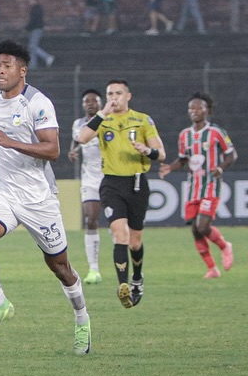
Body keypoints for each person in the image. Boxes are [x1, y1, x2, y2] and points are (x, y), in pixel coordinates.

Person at [0, 40, 91, 355]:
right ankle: (1, 304)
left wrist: (11, 142)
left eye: (6, 65)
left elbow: (53, 150)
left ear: (22, 70)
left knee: (60, 266)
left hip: (39, 198)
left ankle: (82, 320)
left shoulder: (38, 103)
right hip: (5, 192)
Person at [72, 78, 165, 308]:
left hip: (136, 184)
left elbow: (161, 153)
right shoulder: (103, 120)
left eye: (118, 93)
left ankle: (136, 279)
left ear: (128, 96)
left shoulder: (142, 120)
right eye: (110, 94)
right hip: (111, 184)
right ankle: (123, 286)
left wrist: (147, 150)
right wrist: (103, 112)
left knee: (135, 242)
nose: (114, 98)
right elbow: (82, 138)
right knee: (119, 234)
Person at [158, 93, 237, 278]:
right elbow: (184, 159)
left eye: (198, 108)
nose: (194, 111)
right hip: (193, 187)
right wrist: (171, 167)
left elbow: (231, 155)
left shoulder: (216, 132)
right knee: (195, 229)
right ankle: (212, 268)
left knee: (202, 226)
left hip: (210, 185)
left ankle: (225, 246)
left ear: (207, 110)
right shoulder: (184, 135)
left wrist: (220, 167)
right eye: (191, 109)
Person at [67, 89, 106, 284]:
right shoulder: (78, 124)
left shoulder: (107, 122)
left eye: (94, 100)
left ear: (100, 103)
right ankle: (94, 269)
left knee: (118, 223)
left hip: (110, 177)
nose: (90, 103)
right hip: (90, 179)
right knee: (91, 219)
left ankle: (122, 263)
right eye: (86, 101)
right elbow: (76, 140)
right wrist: (72, 151)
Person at [24, 0, 55, 68]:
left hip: (36, 29)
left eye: (31, 0)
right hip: (36, 29)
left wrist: (27, 28)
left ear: (35, 0)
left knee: (32, 47)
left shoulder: (36, 9)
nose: (30, 2)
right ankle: (33, 64)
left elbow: (34, 21)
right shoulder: (37, 9)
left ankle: (47, 57)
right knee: (32, 47)